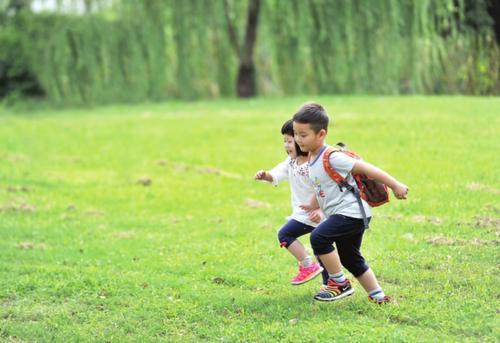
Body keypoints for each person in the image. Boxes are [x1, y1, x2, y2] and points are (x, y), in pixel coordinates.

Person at [292, 103, 409, 303]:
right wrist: (314, 204)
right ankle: (378, 296)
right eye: (295, 134)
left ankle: (339, 283)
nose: (297, 139)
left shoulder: (333, 156)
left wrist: (396, 185)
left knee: (319, 237)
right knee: (349, 257)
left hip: (352, 213)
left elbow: (367, 169)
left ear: (321, 134)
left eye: (303, 135)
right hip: (346, 214)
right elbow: (323, 186)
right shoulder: (311, 157)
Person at [255, 119, 332, 286]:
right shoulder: (291, 162)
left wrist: (319, 210)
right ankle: (331, 283)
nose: (286, 145)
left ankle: (308, 265)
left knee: (285, 234)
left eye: (290, 141)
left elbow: (325, 187)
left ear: (301, 141)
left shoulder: (313, 164)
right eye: (285, 141)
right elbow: (277, 173)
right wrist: (266, 175)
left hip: (316, 213)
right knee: (321, 248)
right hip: (305, 213)